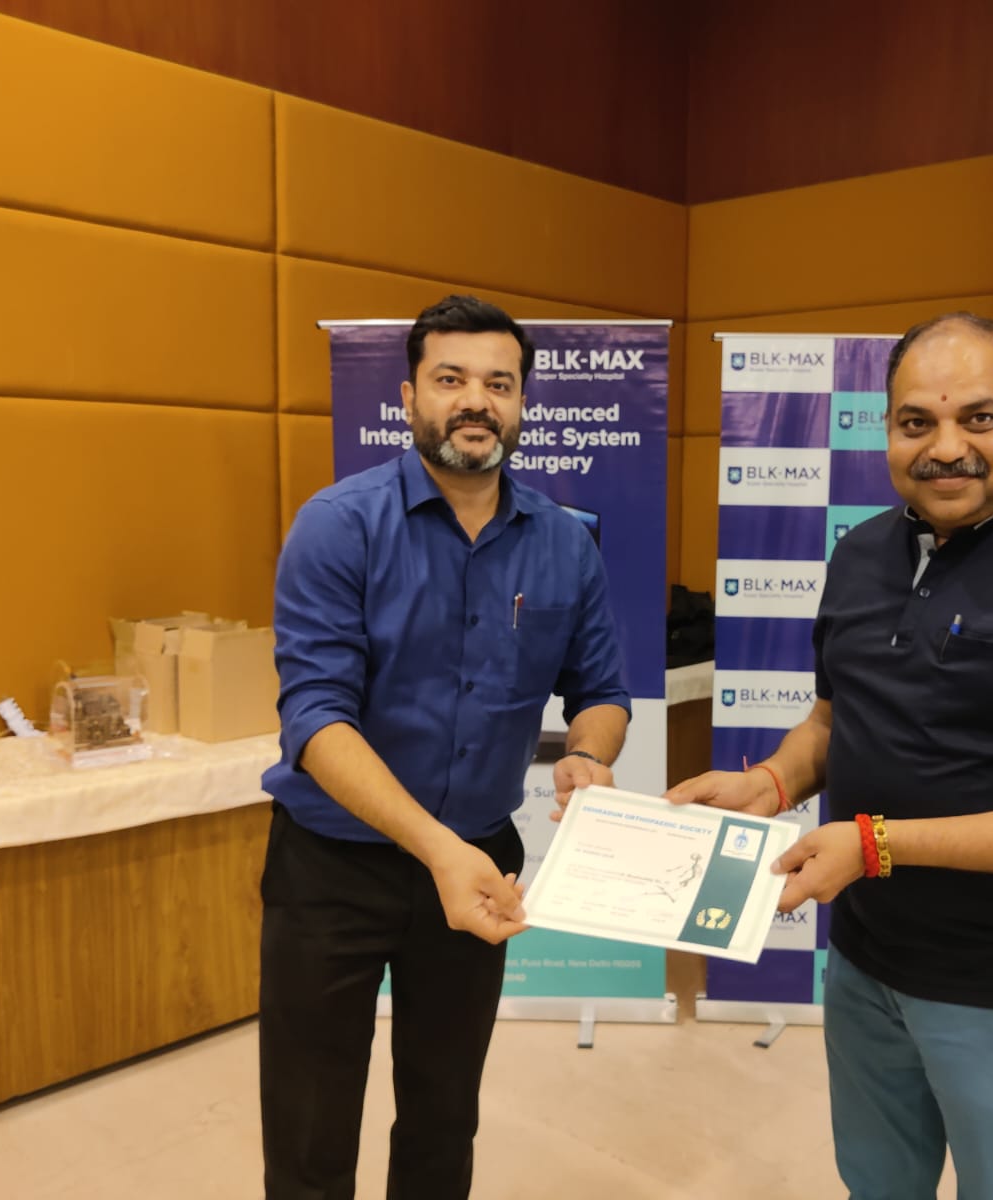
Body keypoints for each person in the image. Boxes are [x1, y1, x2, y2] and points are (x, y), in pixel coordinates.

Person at [663, 313, 993, 1199]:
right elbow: (833, 722)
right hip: (866, 963)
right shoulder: (860, 553)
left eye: (979, 418)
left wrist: (874, 845)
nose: (945, 448)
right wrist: (771, 782)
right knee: (877, 1186)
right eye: (916, 423)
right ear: (888, 431)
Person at [260, 294, 631, 1199]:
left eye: (499, 384)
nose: (476, 401)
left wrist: (589, 753)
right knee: (310, 1127)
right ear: (409, 397)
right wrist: (436, 849)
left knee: (443, 1115)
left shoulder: (564, 544)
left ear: (522, 402)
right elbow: (315, 718)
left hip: (480, 859)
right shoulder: (338, 525)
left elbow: (602, 693)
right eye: (451, 379)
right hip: (334, 868)